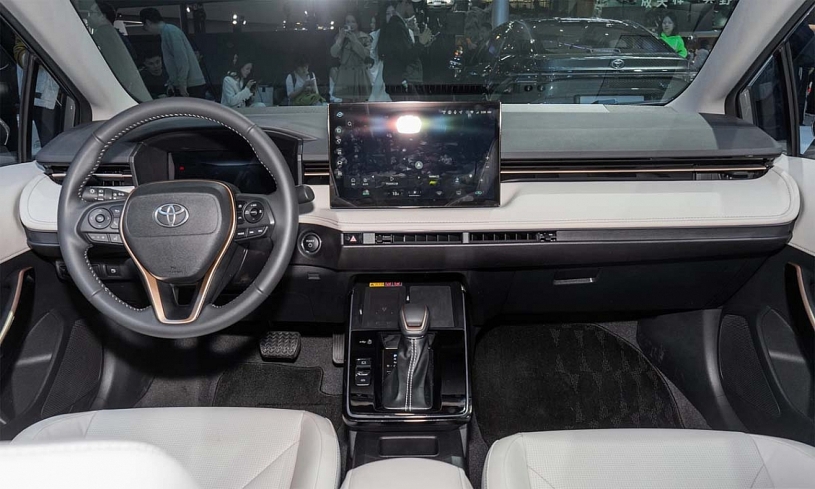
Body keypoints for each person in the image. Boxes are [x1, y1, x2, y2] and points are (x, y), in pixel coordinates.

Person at [88, 2, 150, 101]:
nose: (89, 17)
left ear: (103, 16)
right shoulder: (118, 36)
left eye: (91, 13)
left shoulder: (100, 36)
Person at [139, 8, 207, 98]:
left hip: (190, 85)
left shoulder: (170, 32)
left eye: (145, 27)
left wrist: (182, 84)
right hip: (189, 84)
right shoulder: (168, 31)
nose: (147, 30)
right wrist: (172, 82)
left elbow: (182, 60)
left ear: (148, 22)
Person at [378, 3, 423, 101]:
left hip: (395, 79)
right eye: (388, 13)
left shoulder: (395, 28)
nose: (391, 16)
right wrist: (421, 43)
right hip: (401, 79)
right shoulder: (396, 27)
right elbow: (406, 55)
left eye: (393, 13)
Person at [330, 14, 372, 103]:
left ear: (358, 23)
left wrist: (354, 41)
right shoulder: (340, 37)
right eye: (347, 22)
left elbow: (366, 55)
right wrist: (340, 39)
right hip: (345, 74)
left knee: (361, 105)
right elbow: (333, 53)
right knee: (346, 105)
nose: (350, 24)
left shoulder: (365, 37)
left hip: (360, 74)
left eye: (353, 22)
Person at [368, 15, 391, 102]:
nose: (371, 25)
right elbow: (373, 53)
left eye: (374, 22)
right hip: (381, 67)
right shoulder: (377, 34)